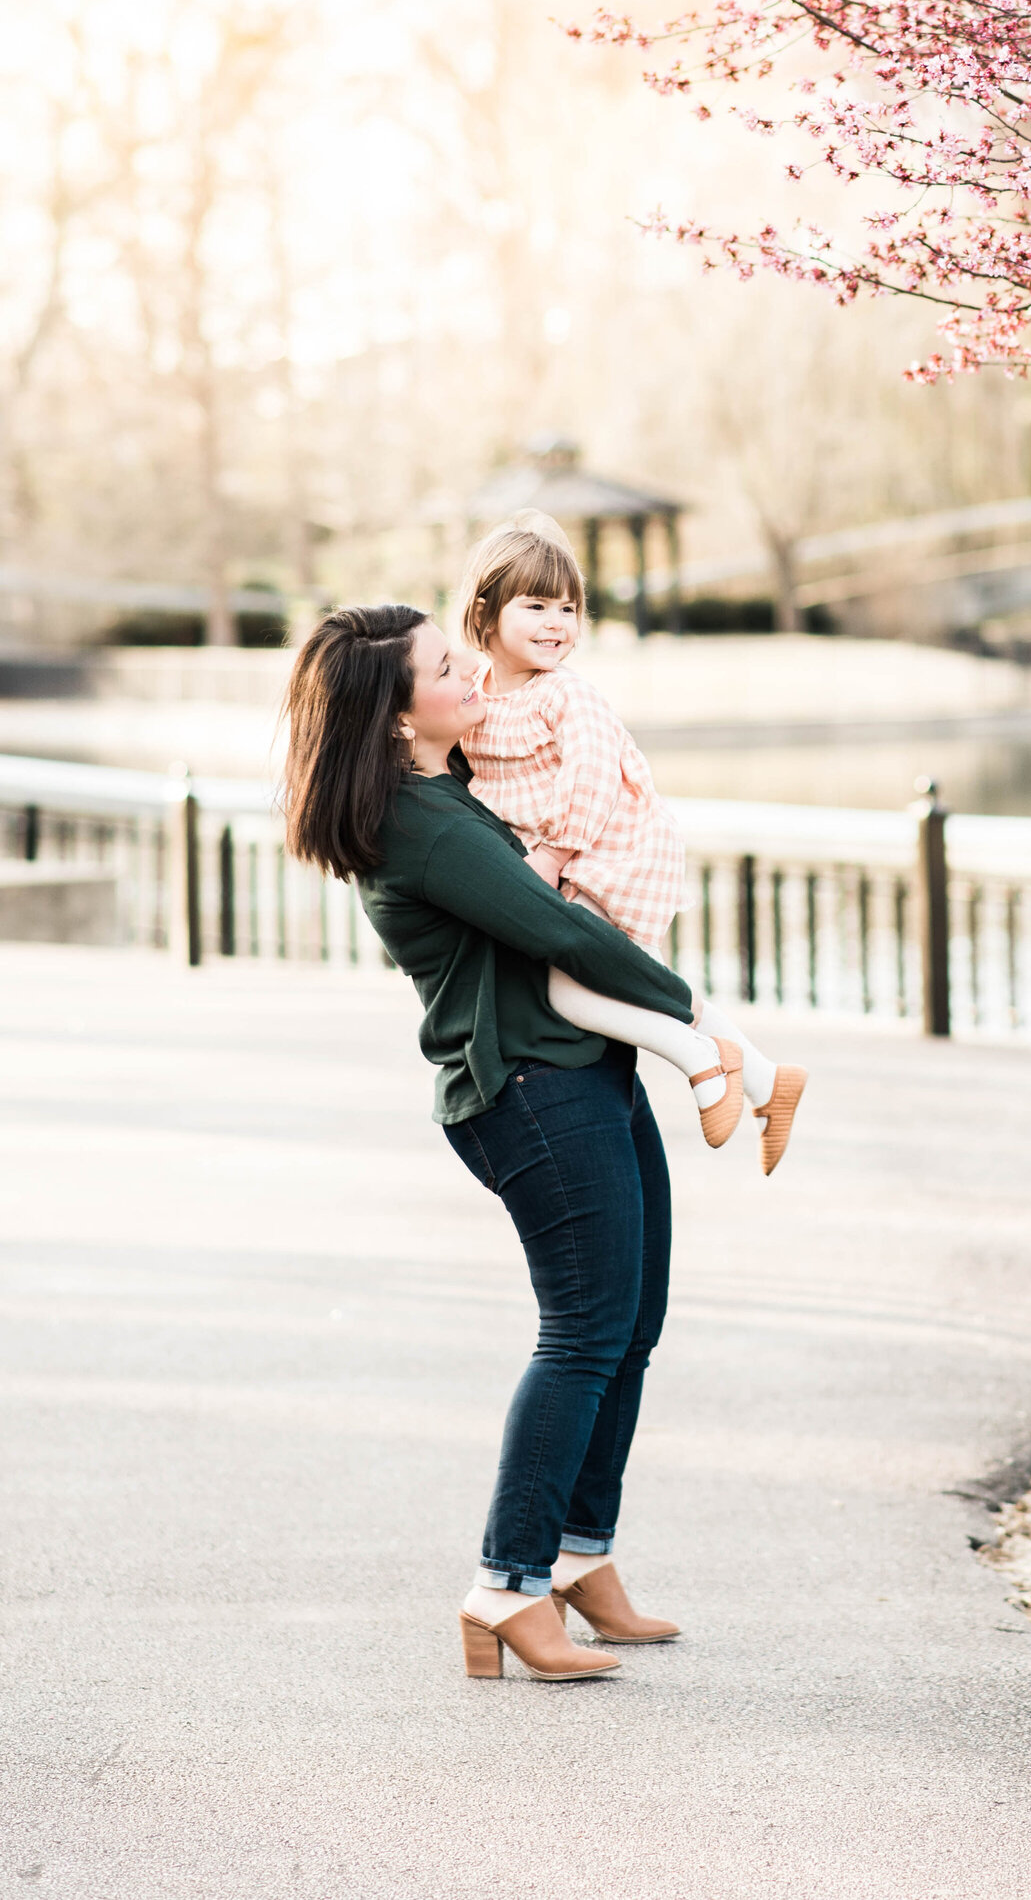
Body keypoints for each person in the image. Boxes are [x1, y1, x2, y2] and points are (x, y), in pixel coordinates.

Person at [283, 601, 694, 1685]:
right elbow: (555, 929)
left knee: (631, 1322)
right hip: (528, 1090)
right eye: (445, 668)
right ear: (390, 714)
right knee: (583, 1332)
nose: (472, 675)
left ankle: (577, 1558)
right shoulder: (418, 825)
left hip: (581, 1068)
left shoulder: (456, 790)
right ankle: (507, 1587)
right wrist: (688, 1015)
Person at [456, 516, 806, 1175]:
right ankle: (765, 1079)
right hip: (563, 858)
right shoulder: (479, 693)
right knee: (640, 979)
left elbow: (592, 776)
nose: (557, 621)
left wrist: (555, 856)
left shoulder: (566, 693)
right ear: (486, 612)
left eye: (569, 608)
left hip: (606, 848)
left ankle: (703, 1060)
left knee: (579, 988)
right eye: (535, 605)